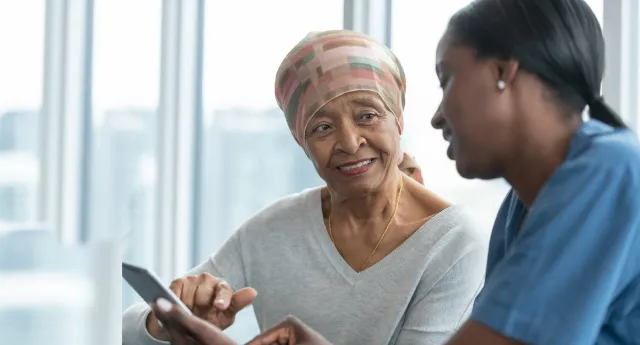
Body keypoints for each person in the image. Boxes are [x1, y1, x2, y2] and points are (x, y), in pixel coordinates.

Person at [148, 0, 640, 344]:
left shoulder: (605, 174)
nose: (437, 115)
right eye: (321, 127)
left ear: (502, 73)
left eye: (447, 79)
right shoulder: (523, 207)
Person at [122, 30, 487, 345]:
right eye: (322, 127)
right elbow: (124, 329)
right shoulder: (273, 230)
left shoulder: (453, 241)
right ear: (302, 143)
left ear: (399, 118)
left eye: (367, 116)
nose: (349, 141)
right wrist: (168, 321)